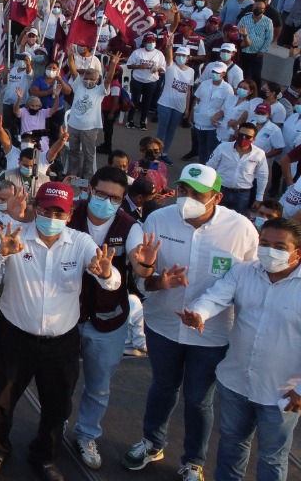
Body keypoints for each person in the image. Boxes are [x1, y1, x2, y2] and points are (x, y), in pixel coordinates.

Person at [122, 164, 259, 481]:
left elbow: (250, 282)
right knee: (162, 388)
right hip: (163, 325)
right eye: (183, 190)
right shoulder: (158, 220)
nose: (188, 198)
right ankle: (152, 443)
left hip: (211, 334)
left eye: (198, 194)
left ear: (217, 197)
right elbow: (143, 279)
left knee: (199, 399)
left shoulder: (241, 230)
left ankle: (193, 461)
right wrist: (157, 281)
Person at [0, 182, 121, 481]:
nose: (51, 217)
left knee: (57, 406)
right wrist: (2, 253)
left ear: (69, 215)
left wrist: (106, 272)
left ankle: (45, 457)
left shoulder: (80, 243)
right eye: (45, 210)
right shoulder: (14, 235)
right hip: (14, 335)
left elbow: (112, 279)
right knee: (2, 400)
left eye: (59, 212)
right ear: (35, 208)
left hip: (61, 342)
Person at [176, 217, 301, 481]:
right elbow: (217, 295)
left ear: (296, 253)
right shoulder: (243, 272)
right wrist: (198, 313)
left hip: (281, 393)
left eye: (279, 246)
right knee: (232, 444)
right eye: (264, 243)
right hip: (236, 382)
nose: (269, 251)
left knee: (272, 457)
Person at [67, 168, 152, 471]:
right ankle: (54, 426)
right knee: (60, 379)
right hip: (67, 314)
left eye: (115, 198)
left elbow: (138, 264)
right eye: (101, 194)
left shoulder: (130, 227)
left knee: (99, 385)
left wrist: (145, 265)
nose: (106, 201)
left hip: (109, 318)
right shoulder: (69, 217)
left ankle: (87, 434)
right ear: (89, 190)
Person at [205, 122, 270, 214]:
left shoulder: (259, 154)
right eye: (241, 135)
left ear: (253, 139)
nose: (243, 139)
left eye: (247, 137)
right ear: (237, 134)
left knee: (237, 222)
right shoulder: (223, 148)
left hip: (242, 195)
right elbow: (210, 167)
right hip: (220, 190)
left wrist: (259, 198)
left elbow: (262, 176)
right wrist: (208, 188)